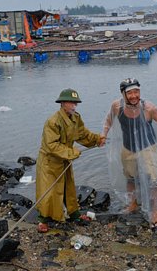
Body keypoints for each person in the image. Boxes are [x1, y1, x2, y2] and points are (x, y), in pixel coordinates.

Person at [102, 78, 157, 229]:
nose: (134, 95)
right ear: (123, 94)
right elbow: (108, 121)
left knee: (154, 180)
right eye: (130, 92)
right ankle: (133, 204)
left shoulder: (149, 108)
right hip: (128, 149)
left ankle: (154, 212)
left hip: (148, 148)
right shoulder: (116, 107)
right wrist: (103, 135)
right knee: (130, 178)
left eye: (136, 91)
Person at [36, 88, 105, 233]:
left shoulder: (76, 118)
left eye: (75, 103)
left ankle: (74, 214)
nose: (74, 106)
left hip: (65, 159)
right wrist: (72, 152)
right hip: (50, 162)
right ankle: (42, 220)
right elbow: (51, 145)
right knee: (48, 190)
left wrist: (97, 139)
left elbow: (83, 134)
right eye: (71, 103)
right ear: (62, 103)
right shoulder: (53, 121)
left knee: (69, 187)